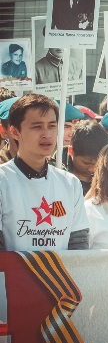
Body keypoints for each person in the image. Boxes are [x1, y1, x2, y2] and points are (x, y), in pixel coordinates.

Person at [0, 94, 89, 251]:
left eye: (52, 126)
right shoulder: (3, 181)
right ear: (15, 132)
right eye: (37, 126)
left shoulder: (70, 183)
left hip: (61, 269)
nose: (47, 134)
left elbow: (79, 248)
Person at [68, 120, 108, 195]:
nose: (92, 169)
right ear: (71, 151)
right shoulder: (54, 170)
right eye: (86, 163)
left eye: (98, 164)